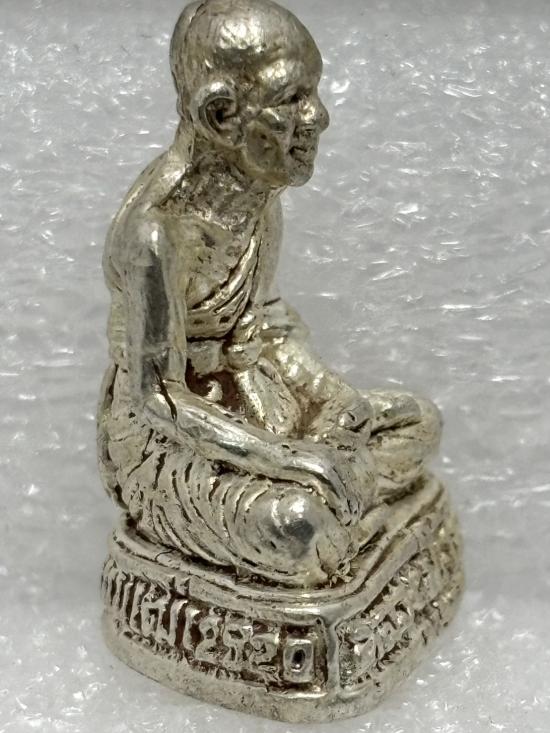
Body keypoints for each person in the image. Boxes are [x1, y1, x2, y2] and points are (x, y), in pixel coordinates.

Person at [98, 0, 442, 588]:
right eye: (292, 99)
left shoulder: (258, 195)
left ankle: (340, 521)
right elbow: (158, 400)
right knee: (299, 527)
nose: (319, 117)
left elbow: (265, 329)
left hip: (257, 401)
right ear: (222, 116)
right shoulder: (156, 234)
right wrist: (287, 460)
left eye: (314, 93)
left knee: (418, 424)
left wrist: (332, 399)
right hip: (170, 442)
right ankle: (330, 534)